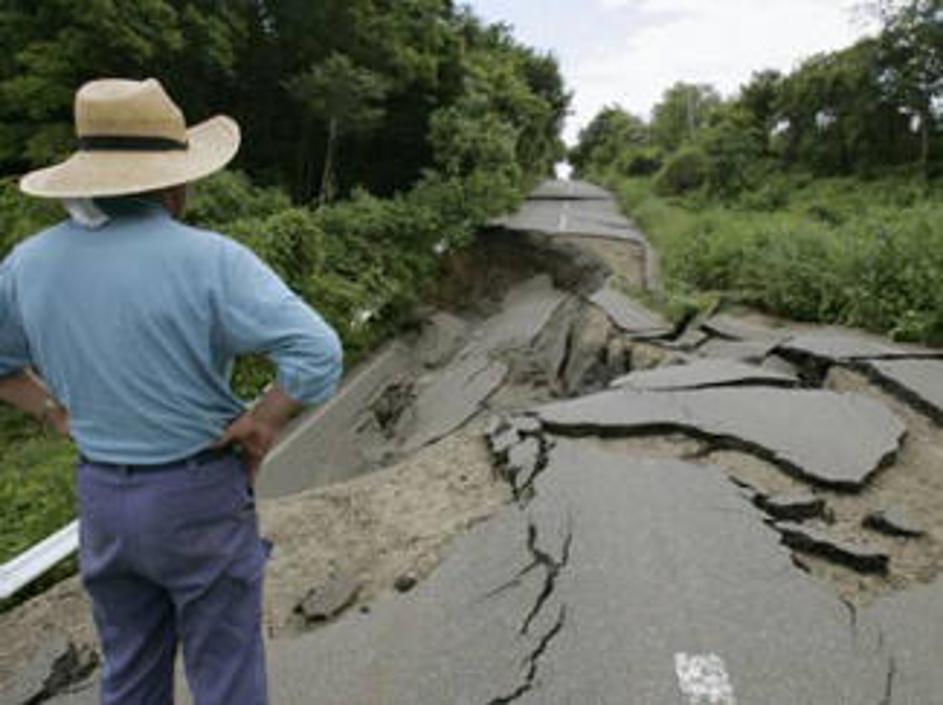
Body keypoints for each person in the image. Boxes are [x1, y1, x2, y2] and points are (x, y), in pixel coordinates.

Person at [0, 78, 343, 704]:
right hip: (196, 494)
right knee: (225, 674)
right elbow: (317, 351)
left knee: (129, 672)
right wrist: (264, 420)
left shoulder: (27, 263)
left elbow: (4, 366)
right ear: (171, 183)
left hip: (102, 498)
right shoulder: (211, 260)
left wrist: (54, 412)